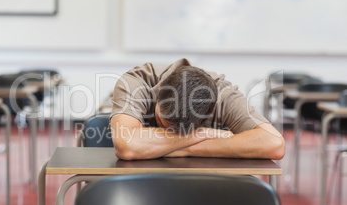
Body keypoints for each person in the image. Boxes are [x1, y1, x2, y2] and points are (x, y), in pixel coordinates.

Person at [110, 58, 285, 160]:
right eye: (163, 121)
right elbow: (127, 145)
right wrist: (201, 134)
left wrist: (188, 148)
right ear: (161, 88)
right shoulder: (136, 82)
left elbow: (274, 143)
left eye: (182, 131)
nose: (169, 132)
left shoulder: (223, 95)